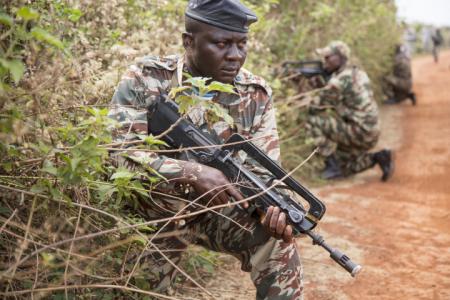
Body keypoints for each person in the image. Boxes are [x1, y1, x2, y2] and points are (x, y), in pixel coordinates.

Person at [108, 0, 303, 299]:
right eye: (222, 44)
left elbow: (264, 174)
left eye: (241, 44)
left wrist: (272, 213)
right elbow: (119, 157)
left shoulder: (254, 94)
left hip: (217, 212)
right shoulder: (146, 79)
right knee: (145, 290)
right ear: (189, 42)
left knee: (277, 241)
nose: (235, 56)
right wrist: (192, 172)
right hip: (154, 212)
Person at [300, 41, 394, 181]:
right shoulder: (358, 73)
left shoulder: (338, 81)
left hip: (358, 132)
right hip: (370, 131)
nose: (324, 61)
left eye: (328, 57)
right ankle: (378, 158)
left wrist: (303, 88)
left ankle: (330, 164)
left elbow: (314, 108)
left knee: (311, 121)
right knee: (344, 167)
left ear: (339, 58)